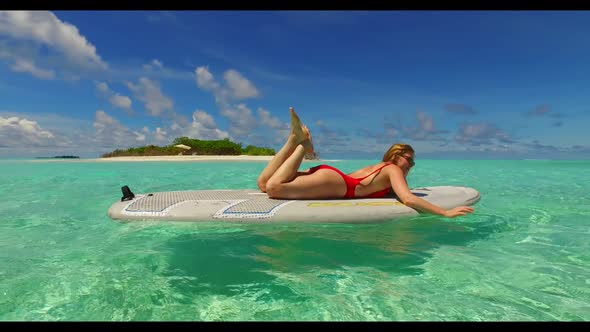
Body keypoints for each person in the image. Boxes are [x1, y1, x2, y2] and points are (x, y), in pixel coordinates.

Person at [257, 107, 475, 218]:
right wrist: (445, 213)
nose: (410, 165)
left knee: (264, 184)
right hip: (338, 184)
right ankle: (304, 146)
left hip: (331, 177)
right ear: (395, 156)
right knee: (275, 188)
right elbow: (408, 199)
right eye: (408, 160)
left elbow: (397, 193)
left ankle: (293, 140)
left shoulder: (381, 169)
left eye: (412, 162)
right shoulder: (392, 169)